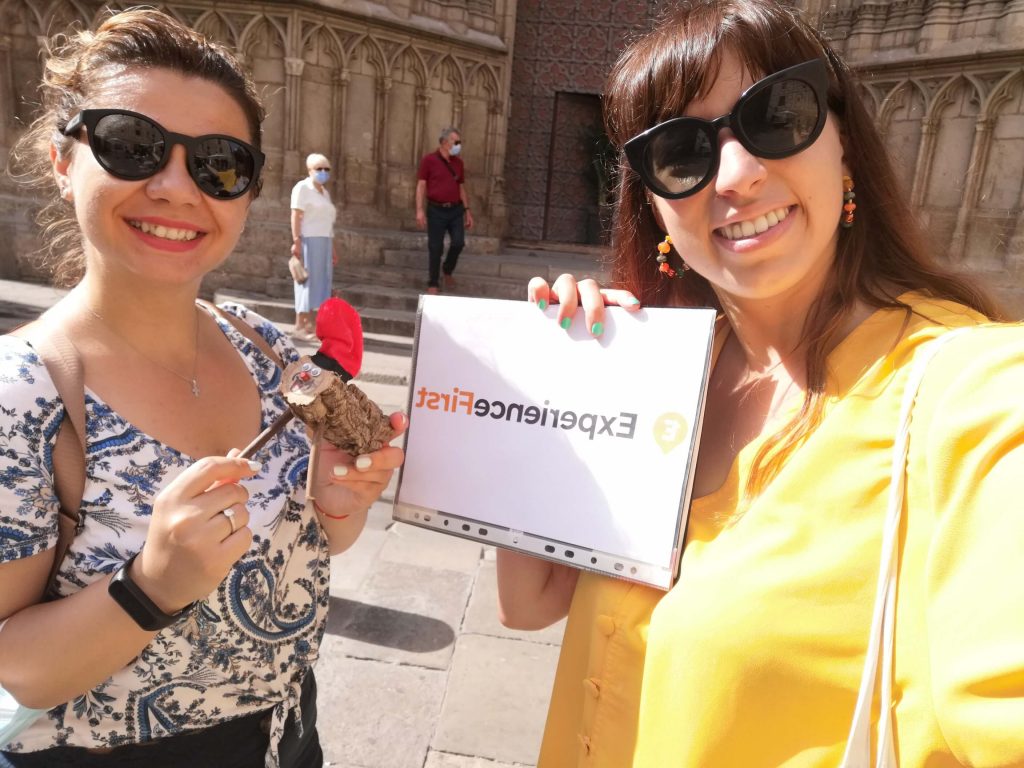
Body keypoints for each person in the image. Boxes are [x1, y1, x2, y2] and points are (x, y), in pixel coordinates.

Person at [496, 1, 1024, 766]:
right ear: (653, 207)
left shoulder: (967, 389)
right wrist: (559, 402)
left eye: (778, 114)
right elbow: (529, 603)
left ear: (844, 144)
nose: (737, 176)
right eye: (679, 155)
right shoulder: (669, 368)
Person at [0, 10, 405, 767]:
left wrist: (336, 507)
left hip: (290, 737)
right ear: (63, 161)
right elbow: (13, 662)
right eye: (131, 146)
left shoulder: (263, 346)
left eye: (220, 165)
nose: (176, 188)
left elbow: (311, 550)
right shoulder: (22, 393)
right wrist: (152, 585)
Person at [415, 127, 474, 295]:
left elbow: (461, 187)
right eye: (455, 142)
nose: (458, 145)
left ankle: (447, 269)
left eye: (459, 142)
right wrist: (419, 210)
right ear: (444, 143)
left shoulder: (458, 163)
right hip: (436, 210)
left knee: (458, 242)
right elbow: (421, 185)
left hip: (455, 210)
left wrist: (467, 211)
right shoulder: (429, 161)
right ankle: (433, 282)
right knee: (435, 247)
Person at [290, 153, 338, 340]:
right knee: (306, 282)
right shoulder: (302, 188)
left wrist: (332, 248)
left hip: (324, 240)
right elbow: (296, 215)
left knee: (321, 284)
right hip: (308, 239)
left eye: (326, 169)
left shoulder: (325, 193)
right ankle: (300, 326)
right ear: (310, 170)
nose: (323, 172)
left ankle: (309, 325)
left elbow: (327, 222)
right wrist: (296, 240)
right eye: (319, 169)